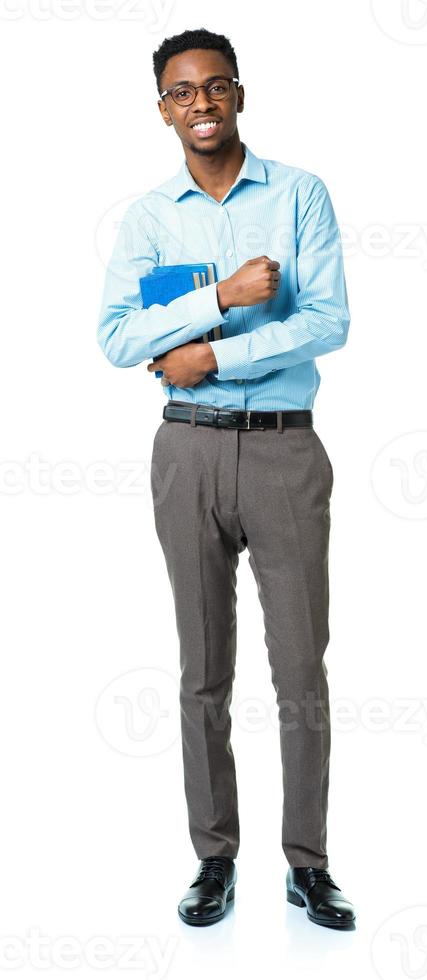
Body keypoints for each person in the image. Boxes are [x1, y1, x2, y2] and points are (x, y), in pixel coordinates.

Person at [97, 26, 355, 930]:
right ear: (163, 108)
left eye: (214, 86)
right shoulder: (149, 216)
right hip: (187, 453)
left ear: (239, 93)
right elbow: (119, 340)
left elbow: (328, 321)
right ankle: (215, 858)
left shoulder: (299, 195)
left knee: (299, 669)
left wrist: (214, 358)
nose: (199, 103)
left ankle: (308, 863)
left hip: (285, 450)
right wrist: (217, 301)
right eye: (181, 91)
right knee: (202, 668)